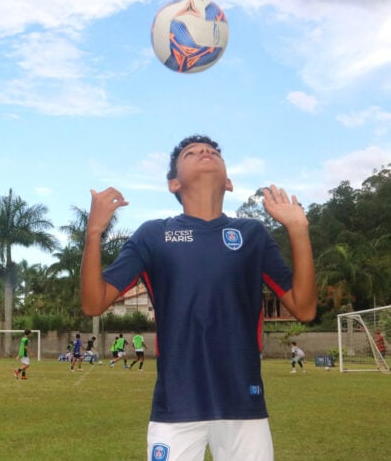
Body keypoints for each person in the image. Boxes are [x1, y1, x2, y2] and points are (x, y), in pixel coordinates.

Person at [80, 135, 316, 461]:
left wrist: (298, 230)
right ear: (173, 183)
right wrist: (94, 232)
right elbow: (94, 303)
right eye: (192, 152)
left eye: (213, 152)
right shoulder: (153, 235)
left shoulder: (252, 235)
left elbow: (304, 308)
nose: (205, 152)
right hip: (176, 405)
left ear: (229, 181)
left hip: (243, 404)